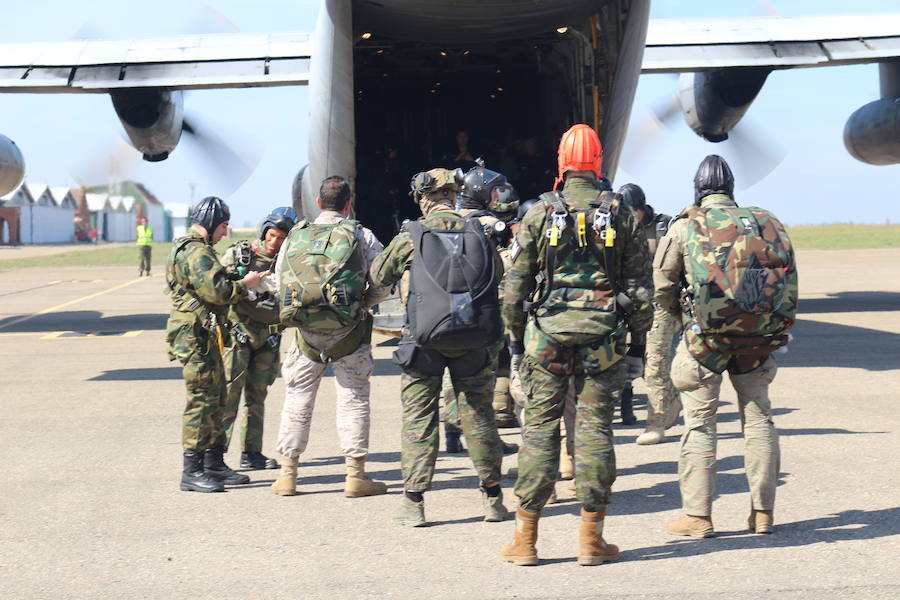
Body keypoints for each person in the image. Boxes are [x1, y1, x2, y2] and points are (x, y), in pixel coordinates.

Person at [499, 124, 653, 566]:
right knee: (594, 433)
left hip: (545, 342)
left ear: (562, 163)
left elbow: (515, 290)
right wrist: (638, 347)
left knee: (539, 433)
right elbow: (641, 292)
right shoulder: (621, 214)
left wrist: (514, 344)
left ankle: (526, 540)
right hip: (604, 343)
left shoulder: (540, 213)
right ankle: (591, 540)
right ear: (598, 162)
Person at [656, 155, 797, 538]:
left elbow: (663, 287)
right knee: (759, 419)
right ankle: (762, 514)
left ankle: (698, 518)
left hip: (706, 341)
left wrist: (682, 317)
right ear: (731, 189)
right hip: (757, 340)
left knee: (700, 424)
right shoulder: (764, 222)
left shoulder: (686, 226)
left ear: (698, 190)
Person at [371, 167, 508, 527]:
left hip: (423, 342)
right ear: (454, 195)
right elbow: (497, 273)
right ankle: (493, 499)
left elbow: (378, 275)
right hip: (473, 340)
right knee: (479, 416)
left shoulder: (412, 234)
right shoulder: (478, 231)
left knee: (419, 419)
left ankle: (414, 504)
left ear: (422, 197)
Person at [271, 176, 391, 498]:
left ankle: (287, 476)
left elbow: (278, 281)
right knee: (353, 399)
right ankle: (355, 477)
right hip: (349, 333)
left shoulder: (296, 235)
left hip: (305, 336)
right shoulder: (361, 235)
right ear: (348, 204)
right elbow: (383, 282)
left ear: (318, 201)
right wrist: (362, 303)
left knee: (296, 401)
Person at [165, 196, 264, 493]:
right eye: (222, 226)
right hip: (194, 335)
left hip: (205, 334)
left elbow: (213, 282)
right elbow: (219, 292)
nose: (225, 234)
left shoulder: (198, 250)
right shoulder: (195, 252)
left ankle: (213, 462)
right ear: (209, 223)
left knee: (217, 396)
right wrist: (245, 285)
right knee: (201, 401)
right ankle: (191, 470)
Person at [219, 207, 298, 470]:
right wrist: (247, 283)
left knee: (257, 397)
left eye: (282, 239)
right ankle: (216, 455)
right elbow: (218, 289)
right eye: (272, 236)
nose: (275, 243)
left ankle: (251, 452)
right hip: (239, 334)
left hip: (269, 338)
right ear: (264, 232)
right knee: (230, 395)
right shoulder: (239, 255)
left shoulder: (291, 262)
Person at [618, 183, 683, 441]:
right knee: (638, 364)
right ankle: (672, 398)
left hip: (660, 305)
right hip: (630, 305)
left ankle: (655, 425)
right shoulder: (618, 228)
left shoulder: (664, 227)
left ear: (641, 208)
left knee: (654, 361)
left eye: (632, 212)